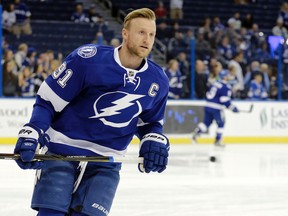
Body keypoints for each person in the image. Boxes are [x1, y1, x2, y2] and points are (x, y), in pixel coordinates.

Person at [13, 8, 170, 216]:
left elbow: (150, 123)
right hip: (62, 152)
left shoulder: (158, 80)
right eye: (141, 32)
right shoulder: (88, 59)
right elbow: (48, 100)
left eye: (152, 34)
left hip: (106, 163)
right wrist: (33, 130)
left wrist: (153, 139)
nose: (147, 39)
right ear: (125, 33)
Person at [192, 69, 239, 147]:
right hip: (216, 108)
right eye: (227, 75)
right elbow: (224, 100)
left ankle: (197, 132)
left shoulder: (215, 83)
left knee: (206, 122)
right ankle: (218, 140)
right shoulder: (225, 86)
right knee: (221, 123)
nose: (229, 77)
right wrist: (232, 107)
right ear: (224, 77)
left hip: (208, 106)